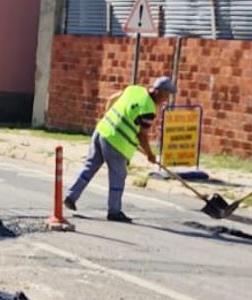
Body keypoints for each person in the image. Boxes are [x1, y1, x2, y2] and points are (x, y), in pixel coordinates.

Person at [64, 76, 177, 223]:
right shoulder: (148, 109)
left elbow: (112, 99)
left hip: (101, 131)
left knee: (90, 166)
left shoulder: (135, 89)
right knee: (118, 176)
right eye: (166, 95)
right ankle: (114, 211)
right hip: (116, 143)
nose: (165, 100)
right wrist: (150, 154)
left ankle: (71, 195)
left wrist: (108, 118)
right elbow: (142, 135)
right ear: (158, 91)